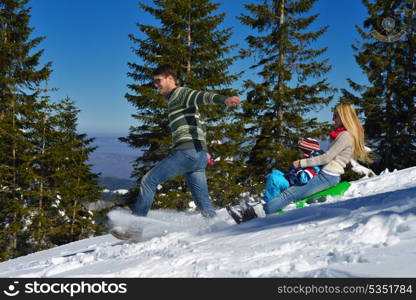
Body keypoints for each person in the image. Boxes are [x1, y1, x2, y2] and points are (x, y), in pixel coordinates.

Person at [111, 64, 240, 240]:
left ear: (170, 79)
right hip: (198, 155)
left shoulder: (180, 94)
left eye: (158, 80)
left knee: (149, 181)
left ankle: (135, 230)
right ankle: (218, 229)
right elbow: (198, 123)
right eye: (154, 81)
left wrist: (223, 100)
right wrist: (204, 150)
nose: (155, 85)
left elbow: (202, 96)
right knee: (203, 202)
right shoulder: (173, 100)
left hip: (187, 152)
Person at [227, 103, 372, 224]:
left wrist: (301, 163)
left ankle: (250, 216)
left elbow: (327, 158)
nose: (333, 118)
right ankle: (255, 210)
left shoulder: (345, 135)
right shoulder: (344, 134)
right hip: (327, 174)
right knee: (289, 190)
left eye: (335, 115)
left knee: (289, 194)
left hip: (328, 175)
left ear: (343, 116)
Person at [263, 138, 324, 203]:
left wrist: (298, 167)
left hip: (294, 185)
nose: (299, 152)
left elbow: (304, 179)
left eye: (300, 151)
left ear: (306, 152)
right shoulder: (307, 160)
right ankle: (273, 197)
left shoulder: (313, 165)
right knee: (275, 173)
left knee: (274, 179)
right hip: (291, 180)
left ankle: (270, 203)